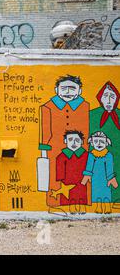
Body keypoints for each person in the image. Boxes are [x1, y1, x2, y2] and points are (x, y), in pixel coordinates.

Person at [38, 75, 90, 213]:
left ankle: (79, 203)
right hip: (54, 149)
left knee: (79, 176)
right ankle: (54, 203)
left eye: (72, 88)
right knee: (55, 176)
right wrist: (44, 151)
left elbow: (86, 128)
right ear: (56, 90)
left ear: (79, 91)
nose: (68, 91)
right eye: (64, 88)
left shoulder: (84, 106)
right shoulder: (48, 107)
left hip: (80, 148)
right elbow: (44, 131)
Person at [90, 82, 120, 202]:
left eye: (112, 97)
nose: (108, 100)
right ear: (100, 98)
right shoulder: (92, 115)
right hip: (99, 157)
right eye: (105, 96)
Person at [82, 131, 118, 214]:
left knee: (106, 193)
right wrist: (87, 176)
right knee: (96, 193)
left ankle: (107, 207)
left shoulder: (108, 155)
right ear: (92, 143)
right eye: (96, 141)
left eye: (102, 141)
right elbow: (89, 166)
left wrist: (111, 178)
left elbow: (110, 167)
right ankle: (98, 207)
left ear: (106, 143)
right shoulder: (91, 155)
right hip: (95, 178)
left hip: (105, 178)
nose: (99, 143)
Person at [54, 130, 89, 214]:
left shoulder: (85, 155)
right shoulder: (62, 156)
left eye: (77, 140)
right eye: (70, 140)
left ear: (81, 141)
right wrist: (61, 178)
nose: (74, 142)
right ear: (65, 141)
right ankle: (70, 209)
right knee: (68, 196)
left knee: (81, 194)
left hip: (81, 180)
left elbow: (89, 166)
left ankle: (82, 208)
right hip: (67, 181)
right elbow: (60, 168)